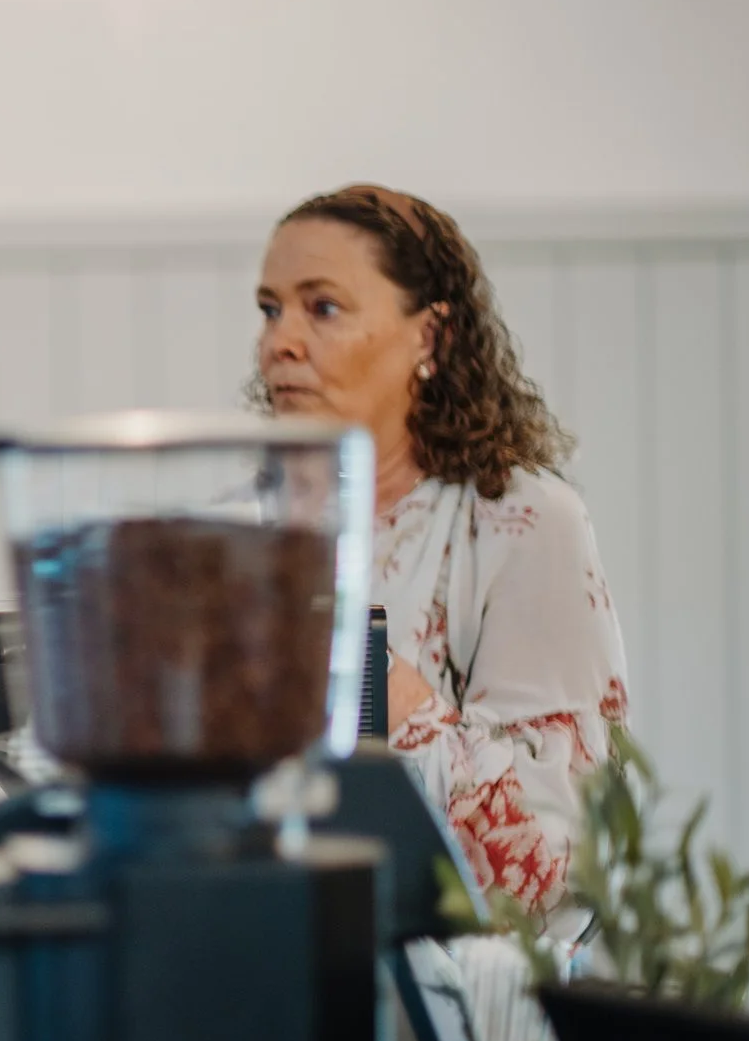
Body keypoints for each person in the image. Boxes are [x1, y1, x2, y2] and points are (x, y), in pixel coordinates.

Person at [253, 183, 627, 913]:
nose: (280, 342)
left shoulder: (524, 524)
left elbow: (559, 854)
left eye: (322, 307)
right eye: (270, 309)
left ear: (431, 337)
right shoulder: (249, 525)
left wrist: (370, 681)